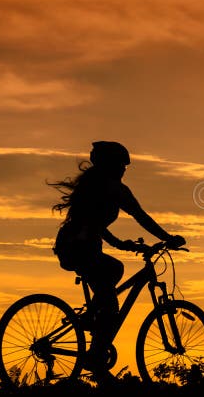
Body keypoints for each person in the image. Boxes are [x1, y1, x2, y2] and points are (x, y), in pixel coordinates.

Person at [49, 141, 185, 381]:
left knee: (114, 269)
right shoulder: (110, 189)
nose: (124, 169)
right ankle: (96, 358)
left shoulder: (100, 187)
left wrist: (121, 244)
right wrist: (168, 238)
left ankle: (92, 317)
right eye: (121, 164)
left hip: (81, 246)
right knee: (111, 306)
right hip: (78, 247)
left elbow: (96, 225)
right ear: (110, 165)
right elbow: (139, 216)